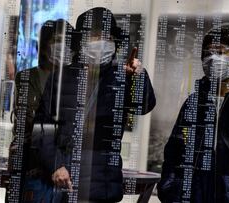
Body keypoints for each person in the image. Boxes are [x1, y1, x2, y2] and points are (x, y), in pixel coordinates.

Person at [39, 7, 156, 202]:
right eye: (94, 36)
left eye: (106, 36)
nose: (100, 42)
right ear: (81, 40)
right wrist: (55, 165)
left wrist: (138, 76)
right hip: (62, 181)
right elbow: (42, 127)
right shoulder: (61, 77)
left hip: (103, 185)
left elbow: (144, 106)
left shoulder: (121, 76)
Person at [158, 24, 229, 202]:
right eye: (207, 53)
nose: (212, 59)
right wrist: (170, 190)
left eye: (220, 52)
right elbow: (173, 153)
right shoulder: (194, 102)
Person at [8, 19, 75, 203]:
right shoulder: (29, 77)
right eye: (57, 41)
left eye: (67, 41)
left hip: (64, 170)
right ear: (44, 46)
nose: (63, 46)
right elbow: (31, 122)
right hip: (33, 167)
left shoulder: (73, 80)